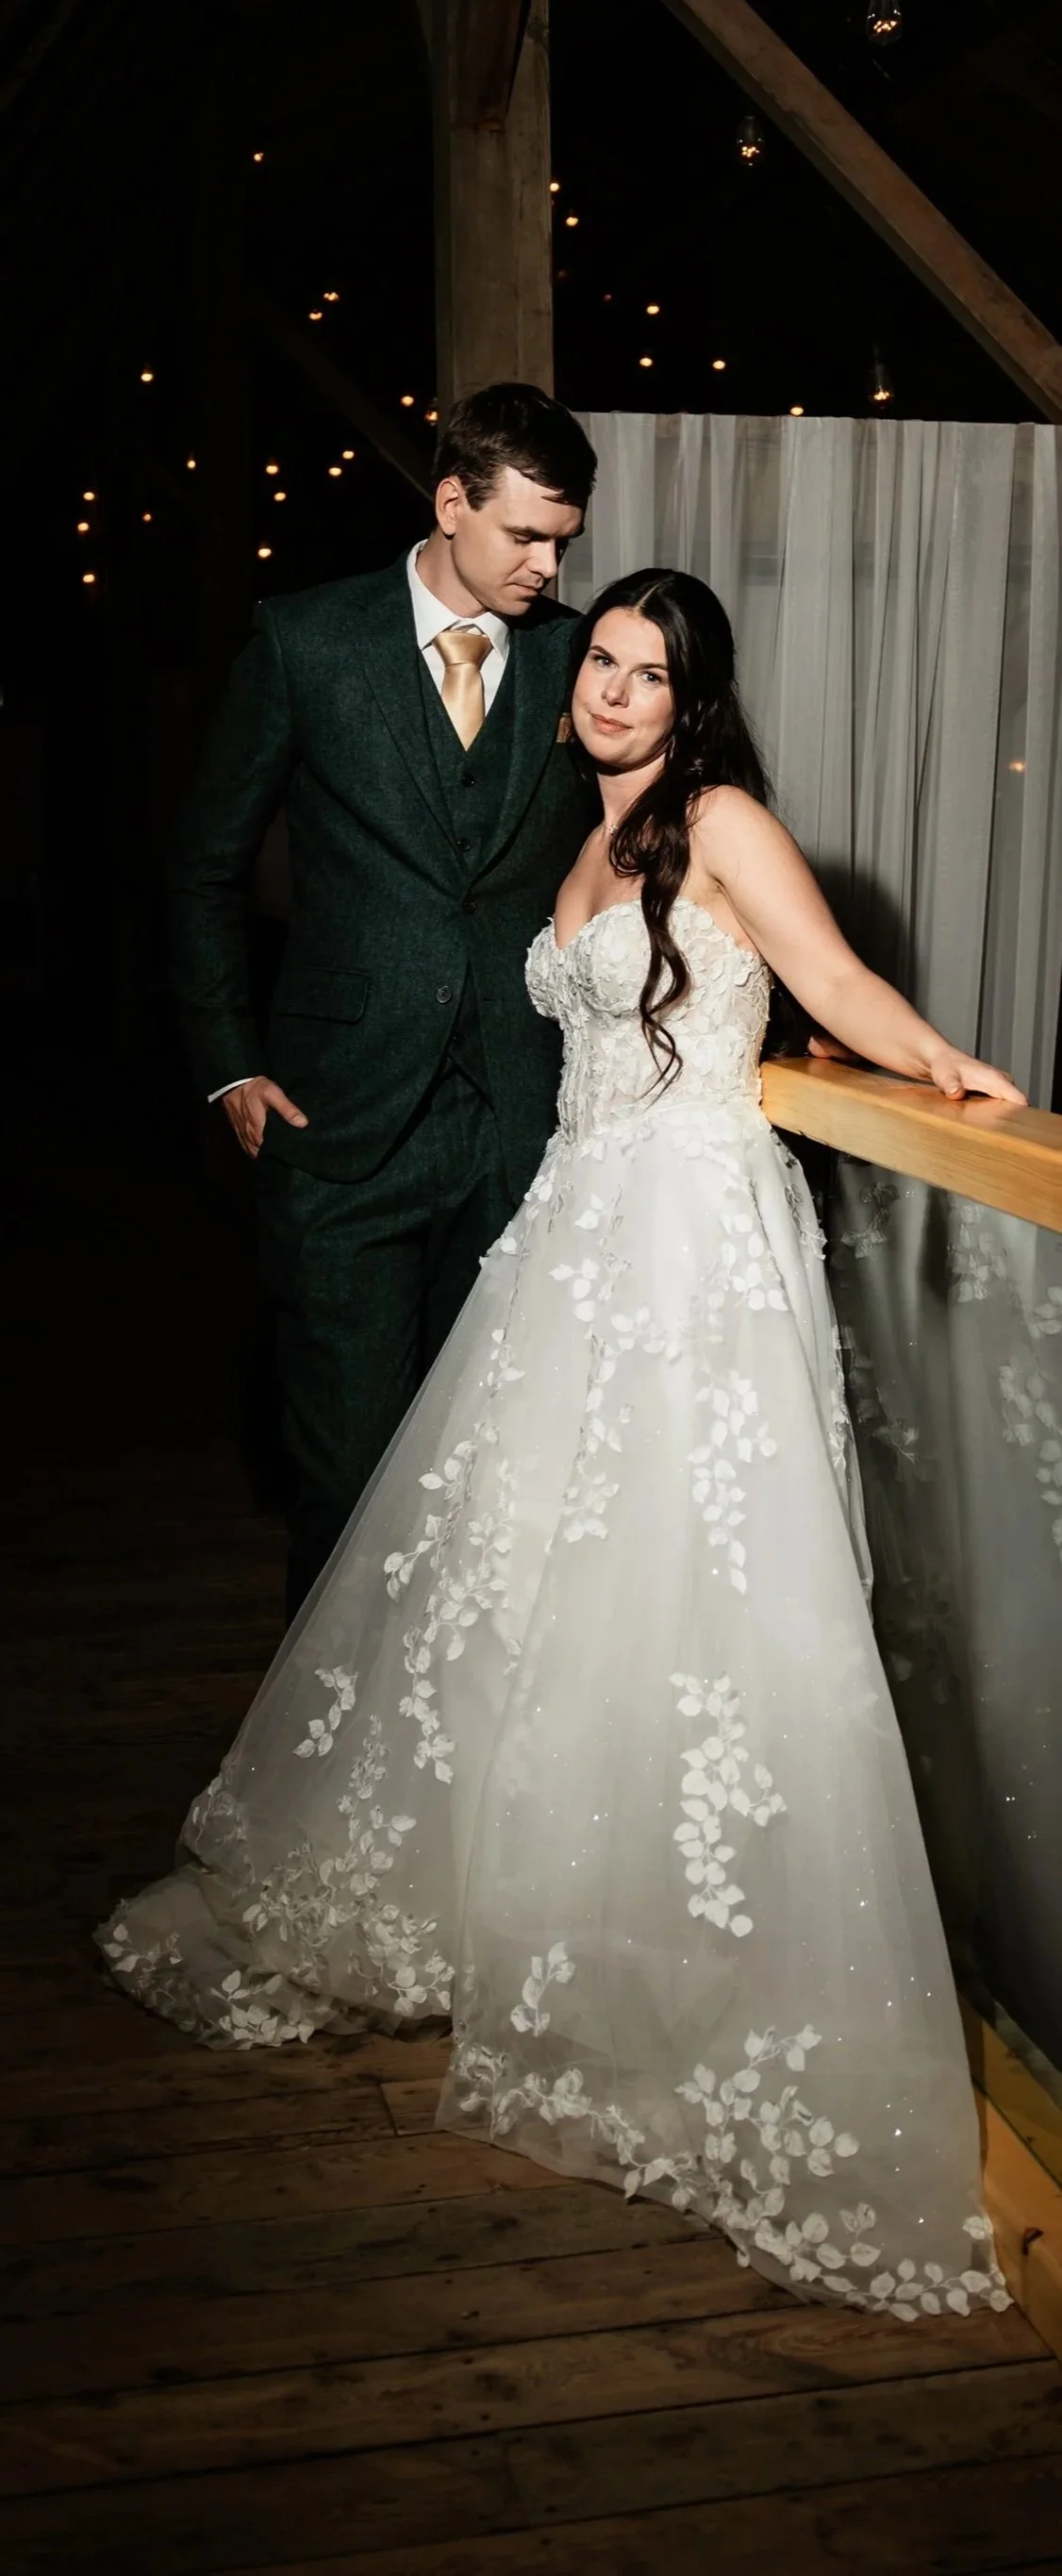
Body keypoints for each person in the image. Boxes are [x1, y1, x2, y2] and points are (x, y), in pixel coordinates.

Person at [101, 568, 1021, 2319]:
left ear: (694, 695)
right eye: (596, 657)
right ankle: (524, 1894)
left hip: (686, 1247)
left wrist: (947, 1066)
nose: (608, 686)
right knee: (522, 1571)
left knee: (682, 1584)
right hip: (570, 1234)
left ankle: (666, 1943)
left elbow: (825, 976)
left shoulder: (720, 817)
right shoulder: (572, 830)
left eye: (645, 669)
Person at [168, 382, 597, 1620]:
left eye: (562, 537)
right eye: (523, 533)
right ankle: (325, 1779)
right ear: (449, 500)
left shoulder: (577, 659)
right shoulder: (305, 640)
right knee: (350, 1484)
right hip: (338, 1126)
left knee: (492, 1478)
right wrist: (228, 1061)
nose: (547, 561)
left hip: (519, 1124)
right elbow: (201, 867)